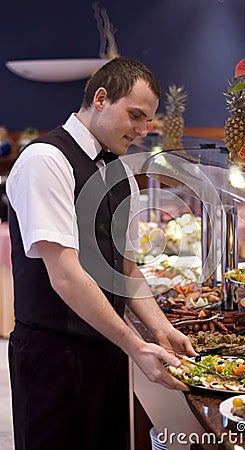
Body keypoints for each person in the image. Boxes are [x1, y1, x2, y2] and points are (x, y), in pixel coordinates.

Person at [6, 56, 197, 450]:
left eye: (148, 120)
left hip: (106, 348)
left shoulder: (119, 169)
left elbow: (126, 266)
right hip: (53, 357)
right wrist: (134, 343)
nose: (143, 131)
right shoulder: (45, 160)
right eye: (135, 116)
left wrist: (160, 330)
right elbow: (64, 274)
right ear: (100, 98)